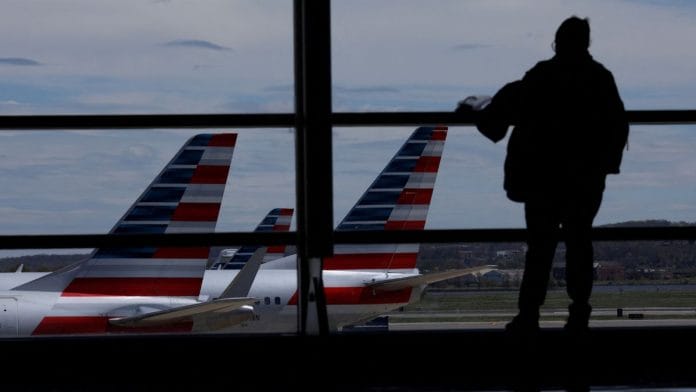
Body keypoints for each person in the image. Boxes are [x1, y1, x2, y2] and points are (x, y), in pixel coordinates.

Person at [460, 16, 629, 334]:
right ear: (586, 43)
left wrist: (475, 111)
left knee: (540, 248)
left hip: (542, 181)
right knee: (580, 243)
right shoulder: (599, 78)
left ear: (557, 42)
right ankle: (579, 313)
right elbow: (618, 127)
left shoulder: (540, 77)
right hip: (584, 181)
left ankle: (530, 315)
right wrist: (601, 166)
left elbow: (497, 120)